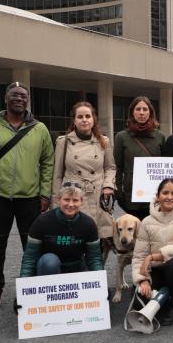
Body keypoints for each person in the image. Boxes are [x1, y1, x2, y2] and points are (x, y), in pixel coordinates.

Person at [0, 81, 54, 313]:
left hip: (29, 198)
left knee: (32, 247)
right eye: (14, 95)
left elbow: (48, 162)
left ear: (27, 101)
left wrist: (44, 193)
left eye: (23, 95)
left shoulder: (39, 129)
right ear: (6, 99)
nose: (19, 98)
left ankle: (32, 291)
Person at [131, 178, 173, 326]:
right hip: (157, 270)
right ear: (158, 196)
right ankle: (161, 300)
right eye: (165, 192)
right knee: (138, 298)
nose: (169, 196)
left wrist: (156, 255)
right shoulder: (147, 221)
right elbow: (139, 256)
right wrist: (142, 280)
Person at [52, 101, 116, 256]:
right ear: (74, 121)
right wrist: (55, 203)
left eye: (88, 116)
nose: (84, 120)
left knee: (98, 243)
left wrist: (108, 185)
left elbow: (110, 167)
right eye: (80, 117)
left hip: (97, 197)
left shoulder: (103, 141)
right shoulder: (64, 142)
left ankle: (96, 277)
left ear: (93, 119)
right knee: (75, 241)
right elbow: (57, 174)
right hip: (74, 198)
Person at [19, 183, 103, 278]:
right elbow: (30, 258)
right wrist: (24, 284)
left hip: (76, 268)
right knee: (49, 261)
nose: (71, 204)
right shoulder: (42, 221)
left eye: (75, 200)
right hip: (48, 268)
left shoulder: (89, 224)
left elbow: (94, 259)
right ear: (58, 200)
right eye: (66, 199)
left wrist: (100, 283)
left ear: (81, 202)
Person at [114, 96, 166, 221]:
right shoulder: (122, 137)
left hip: (154, 196)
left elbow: (165, 166)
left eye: (145, 109)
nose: (141, 113)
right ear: (132, 112)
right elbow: (118, 166)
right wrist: (119, 193)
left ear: (150, 113)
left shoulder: (160, 136)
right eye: (138, 109)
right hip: (130, 196)